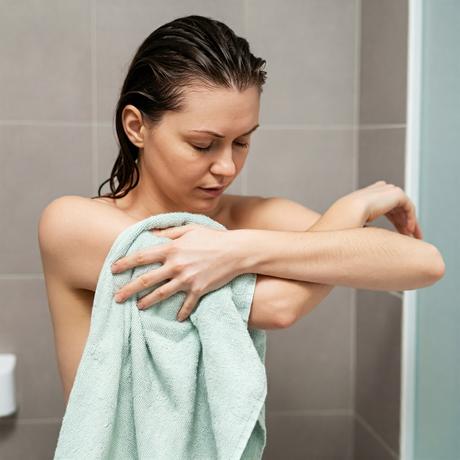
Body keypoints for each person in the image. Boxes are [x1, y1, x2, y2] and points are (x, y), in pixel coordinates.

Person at [37, 15, 444, 406]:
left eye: (242, 142)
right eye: (202, 144)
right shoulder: (72, 225)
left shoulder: (244, 222)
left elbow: (423, 263)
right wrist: (350, 212)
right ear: (136, 127)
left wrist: (237, 249)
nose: (227, 167)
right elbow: (280, 306)